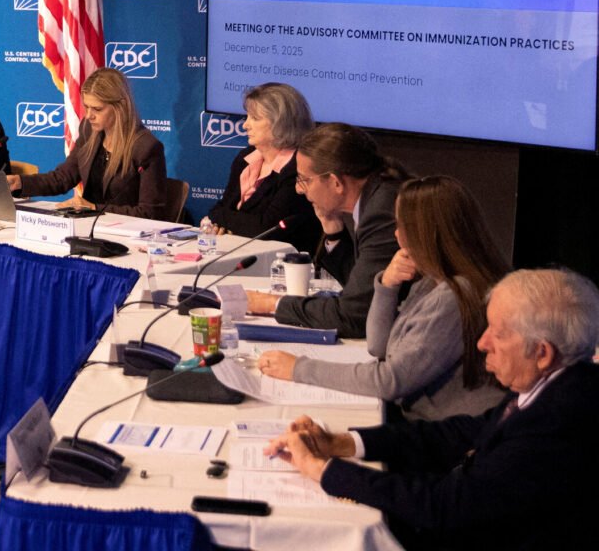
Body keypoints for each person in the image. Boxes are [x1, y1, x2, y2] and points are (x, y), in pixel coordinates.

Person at [264, 268, 599, 551]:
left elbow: (444, 507)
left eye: (498, 334)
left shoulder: (560, 422)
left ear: (542, 353)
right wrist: (342, 443)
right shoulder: (560, 385)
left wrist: (323, 470)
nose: (482, 343)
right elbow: (458, 433)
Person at [256, 175, 509, 420]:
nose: (396, 235)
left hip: (437, 430)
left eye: (401, 225)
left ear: (426, 233)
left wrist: (299, 368)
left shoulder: (454, 295)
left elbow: (390, 380)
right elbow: (379, 346)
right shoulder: (431, 281)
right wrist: (386, 285)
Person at [245, 122, 408, 337]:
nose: (298, 189)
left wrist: (273, 303)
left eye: (304, 180)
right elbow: (359, 288)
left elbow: (354, 315)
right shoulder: (377, 195)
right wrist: (333, 231)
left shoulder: (382, 212)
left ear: (335, 182)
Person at [8, 68, 167, 218]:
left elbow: (150, 213)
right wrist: (20, 182)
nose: (89, 115)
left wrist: (94, 208)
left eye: (97, 109)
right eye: (86, 107)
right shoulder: (88, 130)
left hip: (124, 231)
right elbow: (63, 178)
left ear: (120, 107)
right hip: (86, 225)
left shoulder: (146, 147)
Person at [209, 83, 320, 254]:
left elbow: (267, 228)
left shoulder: (297, 166)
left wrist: (225, 219)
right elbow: (219, 209)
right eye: (247, 117)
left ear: (281, 123)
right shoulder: (245, 158)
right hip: (238, 251)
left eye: (255, 118)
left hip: (282, 259)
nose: (245, 125)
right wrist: (224, 220)